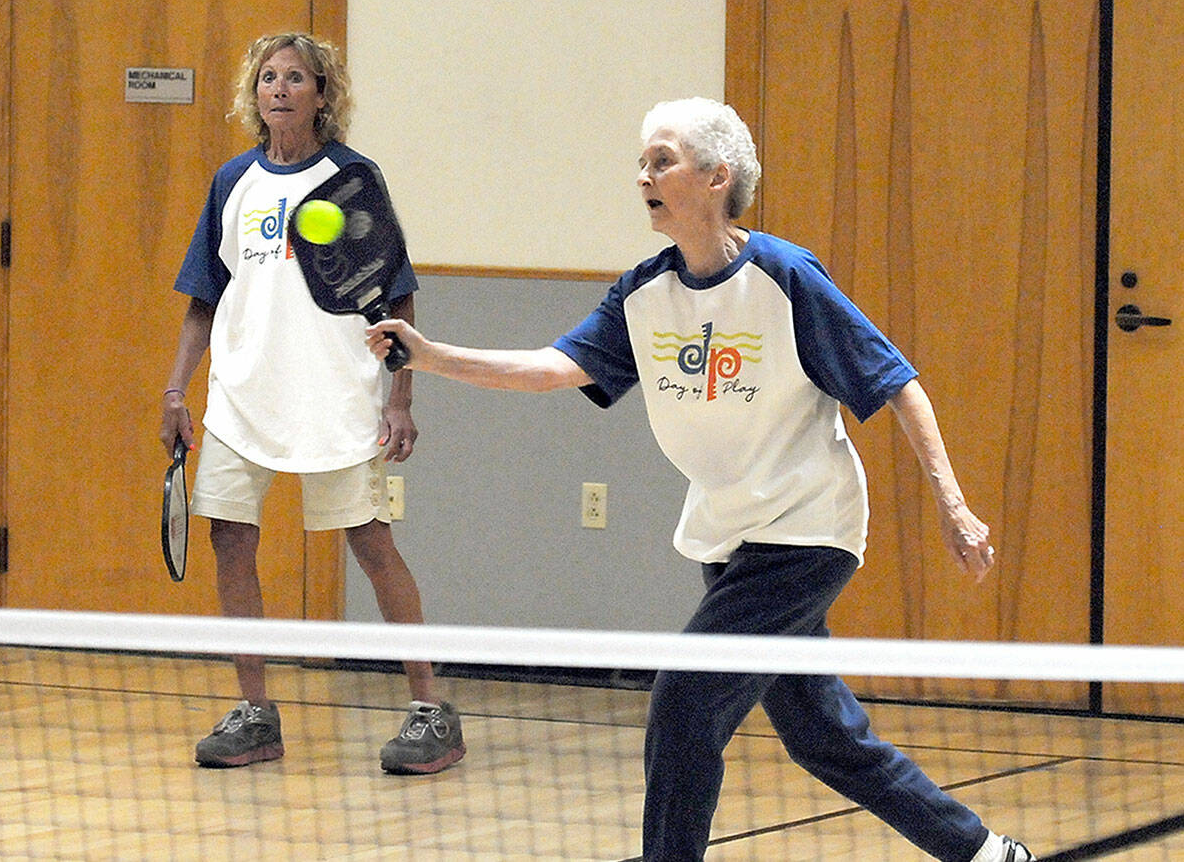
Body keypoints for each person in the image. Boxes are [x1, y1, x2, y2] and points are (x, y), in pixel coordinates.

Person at [366, 98, 1034, 860]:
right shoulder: (646, 293)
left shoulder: (786, 277)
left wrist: (953, 504)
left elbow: (896, 383)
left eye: (663, 160)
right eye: (642, 163)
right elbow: (553, 367)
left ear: (718, 178)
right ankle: (983, 852)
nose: (643, 176)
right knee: (827, 741)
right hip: (727, 538)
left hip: (806, 534)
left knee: (683, 701)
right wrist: (428, 355)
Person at [160, 32, 464, 776]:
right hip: (242, 397)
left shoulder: (353, 177)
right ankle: (256, 713)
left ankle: (431, 711)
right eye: (269, 77)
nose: (281, 89)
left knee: (370, 543)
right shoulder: (234, 181)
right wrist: (176, 388)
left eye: (297, 78)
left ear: (322, 94)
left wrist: (402, 395)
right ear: (254, 93)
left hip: (338, 398)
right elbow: (205, 298)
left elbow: (398, 294)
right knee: (230, 539)